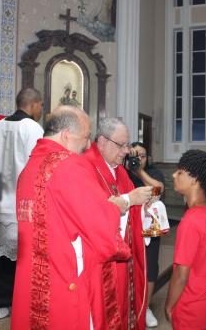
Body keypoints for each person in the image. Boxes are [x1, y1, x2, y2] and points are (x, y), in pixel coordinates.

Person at [11, 107, 132, 329]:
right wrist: (116, 207)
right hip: (64, 276)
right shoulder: (69, 165)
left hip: (34, 277)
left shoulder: (28, 167)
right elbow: (99, 224)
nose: (87, 146)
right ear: (66, 134)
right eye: (85, 138)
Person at [0, 88, 44, 324]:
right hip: (18, 204)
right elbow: (36, 167)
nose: (41, 110)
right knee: (20, 259)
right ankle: (16, 303)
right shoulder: (33, 128)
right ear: (34, 104)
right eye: (40, 106)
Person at [83, 118, 153, 330]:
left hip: (125, 257)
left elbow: (132, 204)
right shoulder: (86, 167)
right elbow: (92, 214)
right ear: (102, 141)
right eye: (121, 145)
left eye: (127, 145)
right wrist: (131, 199)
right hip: (102, 262)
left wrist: (145, 207)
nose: (125, 152)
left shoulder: (121, 171)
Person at [165, 149, 206, 329]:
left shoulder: (191, 220)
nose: (174, 175)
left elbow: (181, 275)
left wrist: (168, 306)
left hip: (191, 305)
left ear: (195, 179)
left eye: (180, 172)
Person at [126, 141, 165, 328]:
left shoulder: (153, 173)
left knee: (150, 268)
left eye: (142, 156)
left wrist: (139, 171)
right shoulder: (122, 172)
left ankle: (146, 307)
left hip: (151, 226)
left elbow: (159, 190)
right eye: (135, 155)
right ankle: (130, 304)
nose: (138, 159)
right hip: (130, 226)